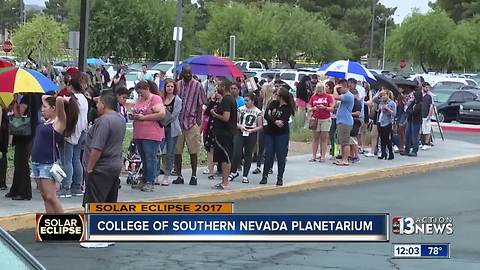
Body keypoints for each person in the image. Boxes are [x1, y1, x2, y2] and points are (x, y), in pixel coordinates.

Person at [33, 95, 79, 213]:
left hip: (47, 163)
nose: (42, 109)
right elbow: (43, 97)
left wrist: (64, 99)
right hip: (36, 162)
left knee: (51, 197)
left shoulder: (59, 121)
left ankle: (62, 224)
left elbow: (58, 100)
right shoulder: (47, 121)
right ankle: (51, 222)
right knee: (44, 196)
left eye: (45, 107)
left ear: (54, 108)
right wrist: (50, 99)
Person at [83, 90, 126, 204]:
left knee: (94, 206)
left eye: (98, 103)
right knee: (109, 205)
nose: (96, 106)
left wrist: (89, 168)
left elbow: (97, 148)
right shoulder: (120, 119)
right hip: (114, 166)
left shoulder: (104, 121)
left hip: (100, 169)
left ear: (103, 104)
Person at [173, 65, 207, 186]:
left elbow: (203, 103)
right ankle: (179, 175)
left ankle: (193, 175)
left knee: (193, 151)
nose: (188, 75)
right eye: (186, 73)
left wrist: (199, 121)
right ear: (182, 73)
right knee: (177, 151)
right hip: (178, 122)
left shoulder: (198, 85)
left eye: (190, 73)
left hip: (191, 122)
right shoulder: (177, 85)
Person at [5, 94, 41, 200]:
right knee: (18, 161)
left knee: (21, 162)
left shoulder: (27, 97)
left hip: (24, 134)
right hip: (28, 132)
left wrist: (16, 102)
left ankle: (23, 191)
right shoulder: (34, 97)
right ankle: (15, 189)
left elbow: (19, 113)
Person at [132, 81, 165, 192]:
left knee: (150, 158)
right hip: (139, 133)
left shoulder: (155, 99)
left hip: (151, 134)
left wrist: (144, 118)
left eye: (141, 92)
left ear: (147, 89)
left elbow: (161, 114)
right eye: (139, 93)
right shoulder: (140, 100)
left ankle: (150, 181)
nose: (140, 95)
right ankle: (144, 178)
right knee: (144, 158)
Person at [58, 79, 89, 198]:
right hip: (82, 132)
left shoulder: (72, 99)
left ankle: (66, 187)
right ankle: (77, 187)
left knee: (67, 160)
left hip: (71, 132)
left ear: (71, 86)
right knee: (76, 159)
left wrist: (62, 99)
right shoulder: (84, 99)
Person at [260, 88, 295, 186]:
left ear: (282, 96)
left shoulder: (288, 108)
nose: (275, 96)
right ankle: (264, 176)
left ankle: (280, 178)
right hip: (270, 132)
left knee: (281, 156)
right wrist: (275, 120)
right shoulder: (273, 103)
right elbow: (266, 115)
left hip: (281, 134)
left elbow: (282, 121)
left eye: (277, 94)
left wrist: (273, 118)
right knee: (268, 155)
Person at [229, 92, 263, 183]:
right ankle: (233, 172)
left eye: (247, 101)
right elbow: (235, 122)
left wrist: (252, 130)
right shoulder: (240, 109)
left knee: (248, 154)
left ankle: (245, 175)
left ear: (252, 101)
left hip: (251, 133)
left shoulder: (258, 112)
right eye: (245, 100)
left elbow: (260, 126)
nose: (245, 102)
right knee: (236, 152)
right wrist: (240, 126)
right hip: (240, 132)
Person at [211, 79, 237, 190]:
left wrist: (215, 114)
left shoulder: (227, 100)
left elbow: (226, 117)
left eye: (219, 86)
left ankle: (225, 182)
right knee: (222, 157)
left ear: (224, 87)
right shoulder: (225, 99)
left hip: (225, 133)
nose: (217, 87)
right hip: (221, 133)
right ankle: (223, 181)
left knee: (226, 157)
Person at [159, 79, 182, 186]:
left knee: (170, 153)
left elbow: (174, 116)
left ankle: (166, 175)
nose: (170, 88)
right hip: (160, 128)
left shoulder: (178, 100)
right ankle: (155, 174)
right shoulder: (161, 99)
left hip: (172, 129)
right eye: (168, 86)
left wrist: (163, 113)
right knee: (158, 152)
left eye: (172, 86)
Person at [308, 83, 334, 162]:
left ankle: (322, 156)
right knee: (315, 138)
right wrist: (313, 108)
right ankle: (314, 156)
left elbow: (332, 108)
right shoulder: (313, 97)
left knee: (324, 138)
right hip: (316, 118)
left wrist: (325, 107)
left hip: (325, 119)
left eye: (321, 91)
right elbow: (309, 107)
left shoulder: (328, 97)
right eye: (318, 91)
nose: (319, 92)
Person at [332, 79, 354, 166]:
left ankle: (345, 160)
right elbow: (336, 102)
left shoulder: (349, 96)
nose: (339, 90)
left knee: (345, 142)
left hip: (346, 122)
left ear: (344, 87)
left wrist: (334, 88)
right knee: (341, 141)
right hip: (341, 121)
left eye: (340, 88)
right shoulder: (344, 96)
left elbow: (336, 97)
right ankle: (342, 159)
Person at [203, 89, 222, 179]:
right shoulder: (213, 103)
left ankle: (220, 169)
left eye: (217, 92)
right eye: (215, 92)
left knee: (219, 150)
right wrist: (212, 101)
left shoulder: (224, 103)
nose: (216, 94)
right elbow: (206, 112)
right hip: (211, 128)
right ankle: (210, 172)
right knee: (210, 149)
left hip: (220, 129)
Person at [376, 90, 397, 160]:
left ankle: (391, 153)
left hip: (387, 122)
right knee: (381, 139)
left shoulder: (392, 103)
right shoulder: (381, 102)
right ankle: (383, 153)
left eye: (384, 95)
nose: (383, 97)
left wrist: (388, 109)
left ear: (388, 95)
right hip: (380, 121)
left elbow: (394, 113)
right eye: (382, 95)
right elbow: (376, 104)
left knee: (387, 139)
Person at [403, 91, 423, 157]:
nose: (413, 97)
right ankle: (407, 149)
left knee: (415, 136)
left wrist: (411, 111)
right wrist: (411, 111)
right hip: (410, 120)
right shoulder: (413, 102)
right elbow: (408, 109)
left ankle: (414, 151)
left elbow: (415, 113)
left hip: (416, 121)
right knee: (407, 135)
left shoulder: (420, 104)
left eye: (414, 96)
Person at [421, 83, 434, 150]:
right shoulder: (420, 95)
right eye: (426, 87)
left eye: (428, 87)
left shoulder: (429, 96)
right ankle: (422, 143)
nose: (427, 89)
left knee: (427, 130)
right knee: (421, 131)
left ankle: (427, 143)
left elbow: (431, 106)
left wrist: (429, 115)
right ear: (422, 87)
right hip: (420, 115)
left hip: (426, 115)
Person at [0, 107, 9, 190]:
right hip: (4, 135)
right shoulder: (4, 108)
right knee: (3, 155)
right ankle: (2, 182)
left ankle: (2, 181)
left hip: (2, 135)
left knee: (3, 157)